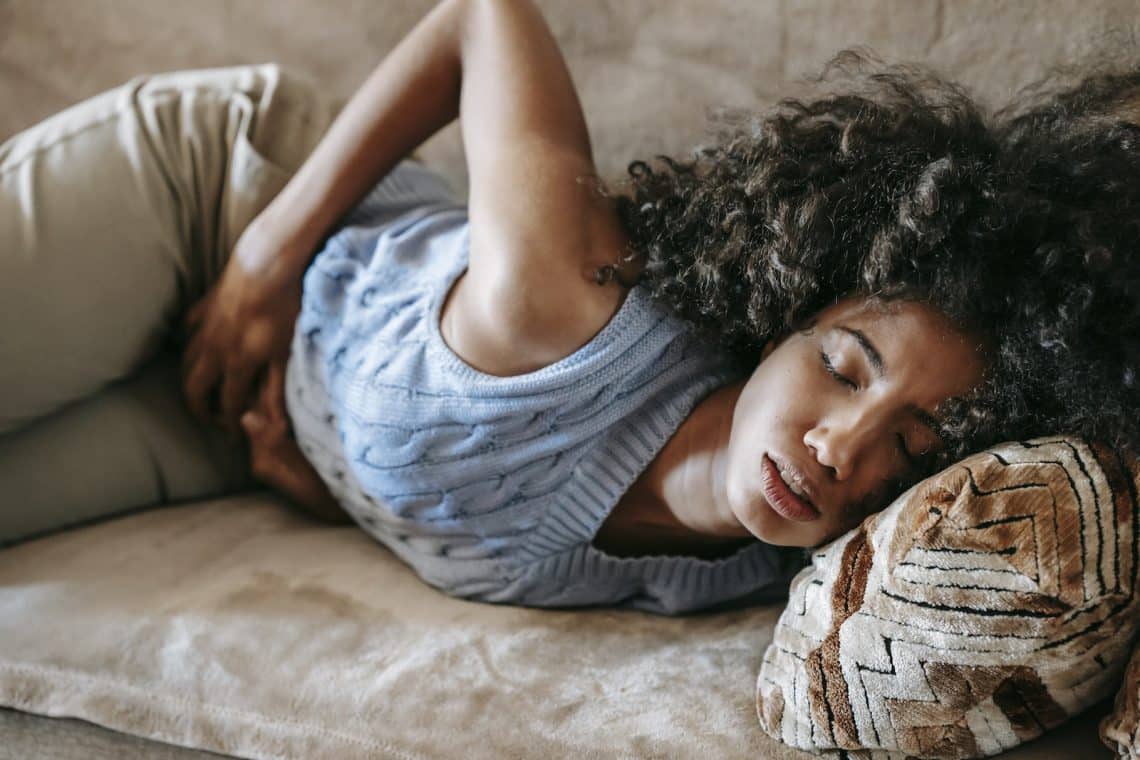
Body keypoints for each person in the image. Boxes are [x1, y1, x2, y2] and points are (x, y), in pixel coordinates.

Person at [1, 0, 1136, 614]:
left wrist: (325, 477)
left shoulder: (736, 575)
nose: (843, 444)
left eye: (912, 443)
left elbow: (473, 485)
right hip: (211, 205)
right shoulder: (571, 303)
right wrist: (264, 252)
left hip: (223, 416)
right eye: (844, 365)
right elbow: (480, 16)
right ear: (786, 313)